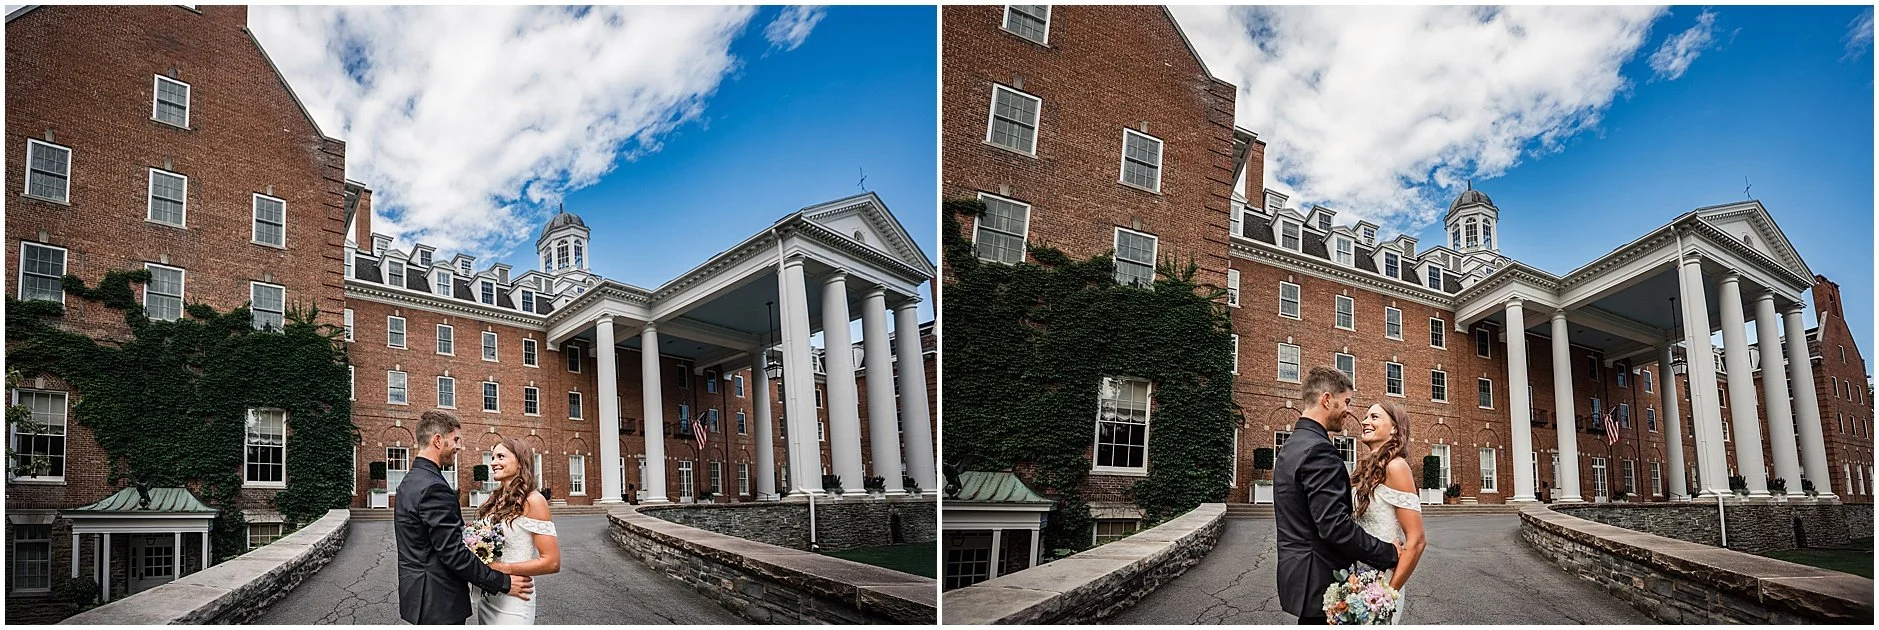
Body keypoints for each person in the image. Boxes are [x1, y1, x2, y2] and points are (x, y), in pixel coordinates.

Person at [1274, 367, 1401, 625]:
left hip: (1299, 576)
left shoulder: (1291, 446)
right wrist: (1388, 553)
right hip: (1319, 578)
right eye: (1346, 402)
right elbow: (1335, 528)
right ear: (1327, 400)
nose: (1349, 410)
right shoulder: (1320, 451)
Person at [395, 410, 532, 624]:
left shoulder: (409, 481)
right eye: (456, 439)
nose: (459, 446)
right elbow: (453, 554)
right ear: (438, 441)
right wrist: (503, 583)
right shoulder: (434, 487)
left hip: (419, 595)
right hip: (438, 601)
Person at [1350, 401, 1427, 624]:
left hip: (1382, 583)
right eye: (1365, 417)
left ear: (1394, 428)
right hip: (1356, 577)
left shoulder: (1397, 467)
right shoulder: (1364, 468)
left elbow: (1417, 541)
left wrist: (1386, 596)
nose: (1365, 421)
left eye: (1374, 417)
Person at [473, 439, 561, 624]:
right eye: (493, 456)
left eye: (501, 456)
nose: (493, 462)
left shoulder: (534, 501)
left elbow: (552, 562)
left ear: (520, 462)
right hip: (490, 594)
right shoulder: (493, 499)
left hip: (515, 596)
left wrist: (502, 569)